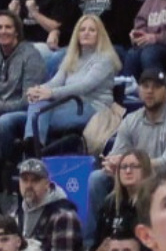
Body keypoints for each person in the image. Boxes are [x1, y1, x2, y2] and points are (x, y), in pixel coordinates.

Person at [84, 68, 166, 249]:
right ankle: (91, 247)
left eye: (156, 87)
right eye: (145, 86)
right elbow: (115, 155)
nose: (150, 91)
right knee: (97, 178)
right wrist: (112, 164)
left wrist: (132, 165)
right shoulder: (131, 120)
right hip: (134, 179)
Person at [22, 14, 121, 151]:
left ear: (100, 35)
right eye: (82, 29)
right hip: (68, 104)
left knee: (38, 116)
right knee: (38, 104)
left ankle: (32, 149)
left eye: (92, 30)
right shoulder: (71, 57)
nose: (86, 33)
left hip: (92, 108)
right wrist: (38, 90)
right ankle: (32, 145)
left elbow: (84, 87)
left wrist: (50, 93)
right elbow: (55, 82)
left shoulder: (105, 59)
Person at [0, 10, 46, 162]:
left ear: (17, 32)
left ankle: (8, 171)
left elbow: (29, 100)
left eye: (8, 27)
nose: (3, 31)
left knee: (4, 122)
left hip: (22, 111)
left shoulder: (31, 56)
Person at [10, 157, 85, 251]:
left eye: (35, 181)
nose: (29, 185)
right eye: (24, 180)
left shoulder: (63, 215)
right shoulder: (17, 214)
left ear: (47, 184)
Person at [91, 148, 153, 251]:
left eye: (134, 166)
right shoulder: (110, 203)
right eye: (123, 167)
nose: (128, 171)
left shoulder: (155, 204)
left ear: (145, 171)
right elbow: (97, 245)